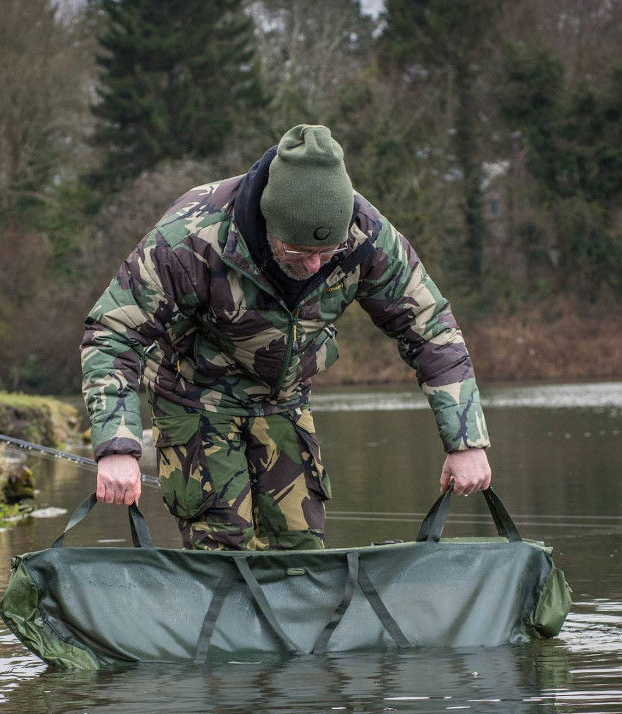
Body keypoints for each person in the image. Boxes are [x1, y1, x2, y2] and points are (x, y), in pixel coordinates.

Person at [81, 124, 491, 550]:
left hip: (285, 398)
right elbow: (112, 333)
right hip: (194, 394)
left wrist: (466, 442)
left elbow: (430, 328)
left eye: (326, 253)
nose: (315, 265)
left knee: (299, 549)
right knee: (225, 549)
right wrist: (117, 447)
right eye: (298, 251)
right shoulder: (190, 238)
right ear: (268, 222)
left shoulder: (365, 235)